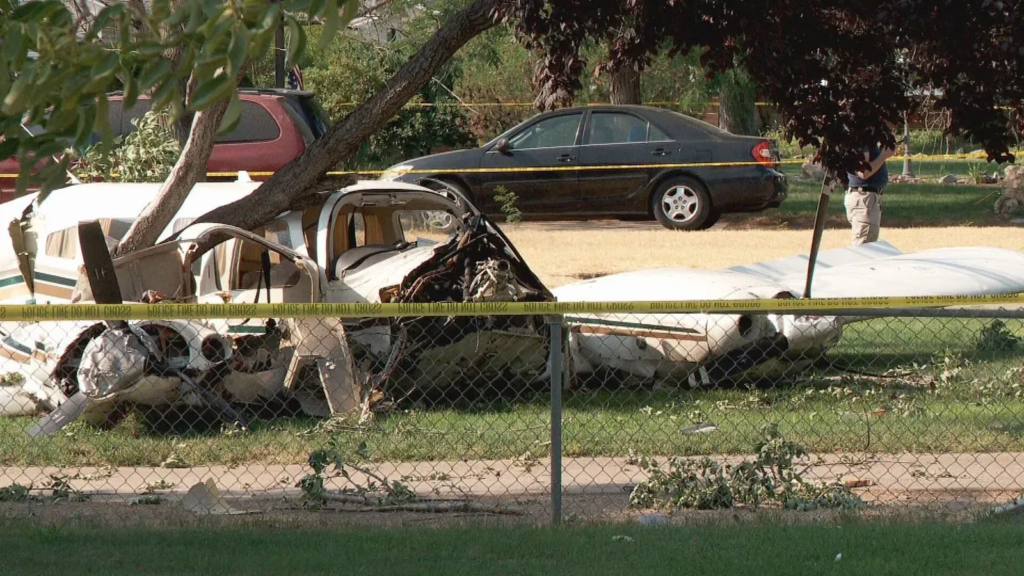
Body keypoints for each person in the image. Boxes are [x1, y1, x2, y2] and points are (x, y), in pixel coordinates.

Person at [845, 143, 895, 245]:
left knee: (867, 244)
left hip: (865, 198)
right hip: (865, 199)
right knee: (864, 246)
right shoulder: (861, 140)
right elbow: (863, 172)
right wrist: (884, 155)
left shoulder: (867, 140)